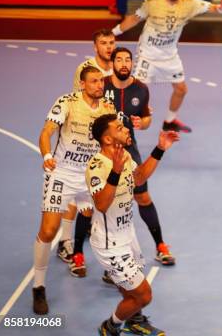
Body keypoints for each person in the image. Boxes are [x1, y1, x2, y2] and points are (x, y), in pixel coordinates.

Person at [32, 66, 115, 314]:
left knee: (110, 222)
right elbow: (47, 131)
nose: (100, 85)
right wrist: (47, 155)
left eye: (101, 81)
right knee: (48, 230)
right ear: (82, 84)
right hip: (63, 174)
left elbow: (113, 140)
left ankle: (114, 269)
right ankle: (38, 288)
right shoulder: (67, 102)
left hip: (91, 175)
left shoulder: (108, 108)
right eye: (94, 81)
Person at [87, 114, 178, 335]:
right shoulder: (96, 166)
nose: (126, 129)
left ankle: (134, 320)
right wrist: (115, 172)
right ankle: (111, 327)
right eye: (120, 127)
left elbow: (138, 178)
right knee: (144, 295)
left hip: (127, 234)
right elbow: (101, 204)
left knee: (131, 287)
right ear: (107, 139)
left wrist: (159, 149)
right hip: (110, 245)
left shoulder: (125, 155)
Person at [111, 0, 222, 132]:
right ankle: (118, 124)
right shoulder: (152, 2)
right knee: (135, 91)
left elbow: (216, 9)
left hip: (170, 56)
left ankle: (169, 121)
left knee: (181, 89)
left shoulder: (189, 3)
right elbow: (134, 18)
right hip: (148, 54)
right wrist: (113, 33)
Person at [103, 47, 175, 269]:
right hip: (100, 149)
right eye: (119, 60)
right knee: (93, 204)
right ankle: (76, 251)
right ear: (113, 63)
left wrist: (140, 123)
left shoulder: (140, 89)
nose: (124, 63)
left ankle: (160, 246)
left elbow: (146, 120)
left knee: (142, 196)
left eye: (127, 60)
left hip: (127, 148)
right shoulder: (102, 85)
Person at [61, 28, 116, 280]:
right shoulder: (86, 69)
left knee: (103, 201)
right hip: (83, 141)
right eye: (103, 43)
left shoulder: (118, 66)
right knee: (80, 200)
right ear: (95, 46)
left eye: (111, 42)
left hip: (108, 139)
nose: (108, 47)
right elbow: (78, 103)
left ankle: (107, 256)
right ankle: (69, 245)